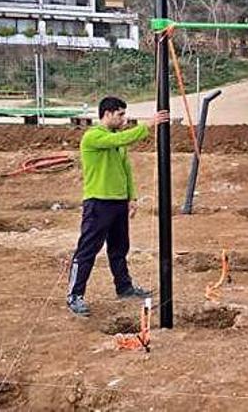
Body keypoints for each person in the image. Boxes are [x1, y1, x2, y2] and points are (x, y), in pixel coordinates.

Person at [66, 96, 170, 316]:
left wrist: (130, 198)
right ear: (107, 114)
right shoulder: (93, 136)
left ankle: (124, 287)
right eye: (120, 114)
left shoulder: (117, 140)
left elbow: (126, 171)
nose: (124, 118)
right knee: (87, 250)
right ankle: (75, 295)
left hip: (117, 203)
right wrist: (149, 124)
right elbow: (119, 140)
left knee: (119, 248)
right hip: (97, 203)